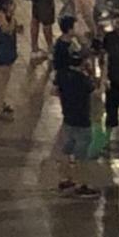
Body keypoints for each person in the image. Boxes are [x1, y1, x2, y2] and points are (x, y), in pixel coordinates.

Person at [52, 16, 100, 198]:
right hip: (81, 118)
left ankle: (65, 179)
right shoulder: (81, 80)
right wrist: (98, 77)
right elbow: (94, 91)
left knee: (68, 146)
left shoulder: (63, 76)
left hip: (69, 115)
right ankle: (82, 184)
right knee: (82, 154)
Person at [0, 0, 21, 120]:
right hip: (3, 48)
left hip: (9, 46)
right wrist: (12, 17)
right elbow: (6, 29)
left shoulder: (4, 14)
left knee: (5, 78)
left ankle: (1, 102)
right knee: (2, 80)